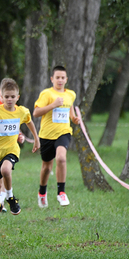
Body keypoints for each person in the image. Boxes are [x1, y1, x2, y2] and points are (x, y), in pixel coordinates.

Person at [0, 78, 40, 228]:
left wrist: (36, 139)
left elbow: (29, 121)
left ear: (17, 97)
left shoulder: (22, 111)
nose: (9, 99)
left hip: (11, 150)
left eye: (12, 96)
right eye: (6, 96)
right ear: (1, 96)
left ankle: (10, 197)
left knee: (6, 169)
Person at [33, 66, 79, 207]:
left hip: (63, 132)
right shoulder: (47, 94)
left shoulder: (71, 94)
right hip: (46, 135)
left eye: (62, 77)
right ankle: (42, 192)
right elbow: (36, 113)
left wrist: (73, 117)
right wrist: (53, 105)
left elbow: (69, 106)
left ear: (66, 79)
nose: (60, 80)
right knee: (47, 167)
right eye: (57, 77)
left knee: (61, 158)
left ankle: (61, 193)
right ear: (52, 79)